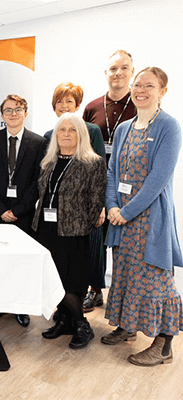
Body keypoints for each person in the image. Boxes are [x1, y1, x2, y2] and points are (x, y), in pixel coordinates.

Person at [103, 67, 183, 366]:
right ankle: (128, 326)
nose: (140, 90)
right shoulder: (124, 128)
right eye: (137, 85)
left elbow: (158, 179)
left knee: (155, 279)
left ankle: (163, 344)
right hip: (121, 221)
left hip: (149, 221)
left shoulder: (169, 127)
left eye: (149, 86)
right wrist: (112, 205)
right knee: (125, 275)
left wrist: (125, 211)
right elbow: (113, 172)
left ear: (163, 91)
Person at [33, 113, 106, 349]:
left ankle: (81, 324)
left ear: (81, 134)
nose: (66, 134)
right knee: (53, 279)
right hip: (46, 229)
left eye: (72, 130)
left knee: (71, 282)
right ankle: (64, 320)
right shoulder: (49, 160)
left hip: (73, 233)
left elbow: (96, 200)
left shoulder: (92, 162)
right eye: (62, 130)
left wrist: (82, 226)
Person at [0, 94, 47, 328]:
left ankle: (21, 306)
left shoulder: (38, 143)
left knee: (22, 262)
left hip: (23, 214)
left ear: (26, 113)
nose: (13, 114)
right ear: (2, 115)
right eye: (8, 110)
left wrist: (17, 210)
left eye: (18, 109)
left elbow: (38, 182)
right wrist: (1, 210)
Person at [44, 83, 106, 316]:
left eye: (69, 101)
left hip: (82, 216)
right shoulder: (50, 136)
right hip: (54, 218)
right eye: (59, 102)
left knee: (82, 264)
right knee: (59, 268)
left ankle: (79, 315)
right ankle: (63, 316)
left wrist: (100, 206)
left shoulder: (92, 131)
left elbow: (100, 171)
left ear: (78, 105)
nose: (64, 106)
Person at [82, 50, 137, 312]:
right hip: (94, 182)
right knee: (96, 237)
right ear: (106, 73)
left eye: (124, 68)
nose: (118, 73)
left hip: (127, 185)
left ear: (131, 72)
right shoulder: (92, 107)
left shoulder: (140, 106)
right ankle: (95, 290)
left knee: (124, 239)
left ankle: (124, 294)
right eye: (113, 68)